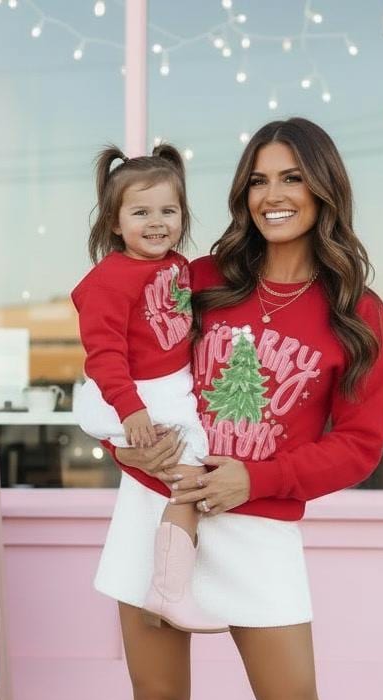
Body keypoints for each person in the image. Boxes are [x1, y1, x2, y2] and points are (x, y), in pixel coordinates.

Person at [97, 118, 383, 700]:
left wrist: (255, 479)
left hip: (257, 525)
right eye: (260, 178)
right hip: (158, 514)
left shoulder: (357, 313)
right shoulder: (194, 283)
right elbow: (118, 365)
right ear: (242, 192)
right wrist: (132, 446)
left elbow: (359, 446)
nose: (274, 194)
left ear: (324, 191)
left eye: (293, 178)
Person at [71, 143, 225, 633]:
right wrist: (130, 411)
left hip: (168, 385)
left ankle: (166, 586)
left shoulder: (178, 267)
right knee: (190, 475)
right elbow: (105, 354)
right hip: (138, 391)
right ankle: (169, 591)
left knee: (186, 476)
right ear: (116, 223)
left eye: (169, 210)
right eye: (141, 212)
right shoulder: (109, 280)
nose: (157, 222)